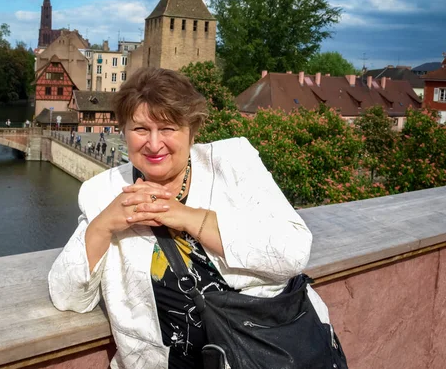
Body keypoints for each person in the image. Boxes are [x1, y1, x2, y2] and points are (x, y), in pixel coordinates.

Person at [49, 68, 331, 369]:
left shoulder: (233, 161)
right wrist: (104, 225)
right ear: (123, 131)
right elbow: (68, 297)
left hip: (268, 354)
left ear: (192, 131)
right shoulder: (104, 192)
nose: (154, 144)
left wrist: (187, 217)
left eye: (168, 129)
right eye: (141, 129)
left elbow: (293, 252)